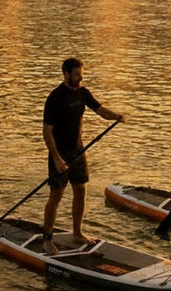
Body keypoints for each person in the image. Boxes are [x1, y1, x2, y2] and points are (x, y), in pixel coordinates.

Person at [42, 57, 124, 254]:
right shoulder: (55, 98)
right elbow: (47, 131)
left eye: (82, 74)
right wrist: (56, 159)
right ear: (66, 73)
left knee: (81, 191)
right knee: (56, 195)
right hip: (60, 154)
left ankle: (77, 232)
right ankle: (47, 239)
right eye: (77, 74)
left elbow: (100, 109)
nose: (80, 78)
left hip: (79, 151)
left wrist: (116, 116)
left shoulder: (83, 93)